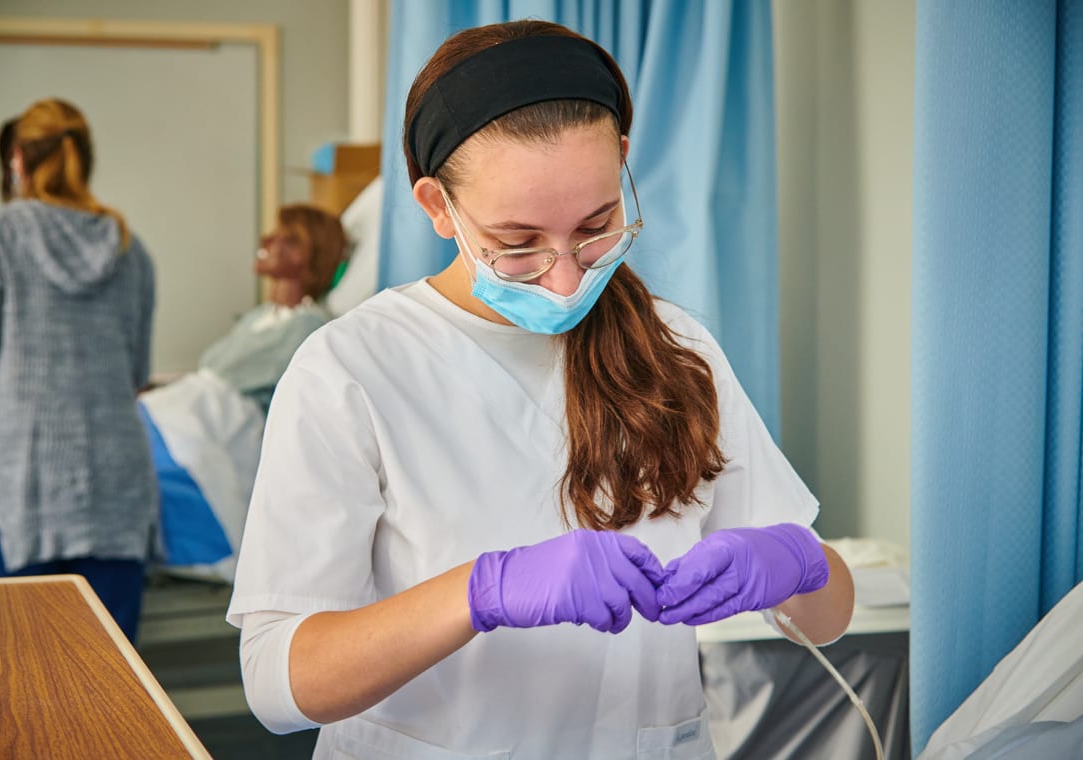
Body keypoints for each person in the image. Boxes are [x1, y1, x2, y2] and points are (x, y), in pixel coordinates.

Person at [227, 19, 854, 758]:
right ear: (437, 207)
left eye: (595, 228)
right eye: (518, 244)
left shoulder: (677, 349)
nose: (566, 277)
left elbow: (829, 615)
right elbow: (277, 685)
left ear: (622, 163)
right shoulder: (354, 369)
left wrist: (793, 564)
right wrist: (480, 593)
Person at [0, 98, 156, 642]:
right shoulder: (129, 248)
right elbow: (136, 370)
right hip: (116, 486)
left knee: (13, 679)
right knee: (113, 683)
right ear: (83, 157)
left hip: (22, 488)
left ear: (17, 159)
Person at [137, 204, 347, 580]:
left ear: (310, 255)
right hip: (186, 406)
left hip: (222, 425)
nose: (268, 241)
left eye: (287, 239)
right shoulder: (259, 317)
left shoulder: (312, 327)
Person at [195, 204, 347, 415]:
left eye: (281, 236)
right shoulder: (260, 316)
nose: (265, 240)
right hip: (195, 408)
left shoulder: (308, 325)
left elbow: (229, 375)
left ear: (304, 253)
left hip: (218, 423)